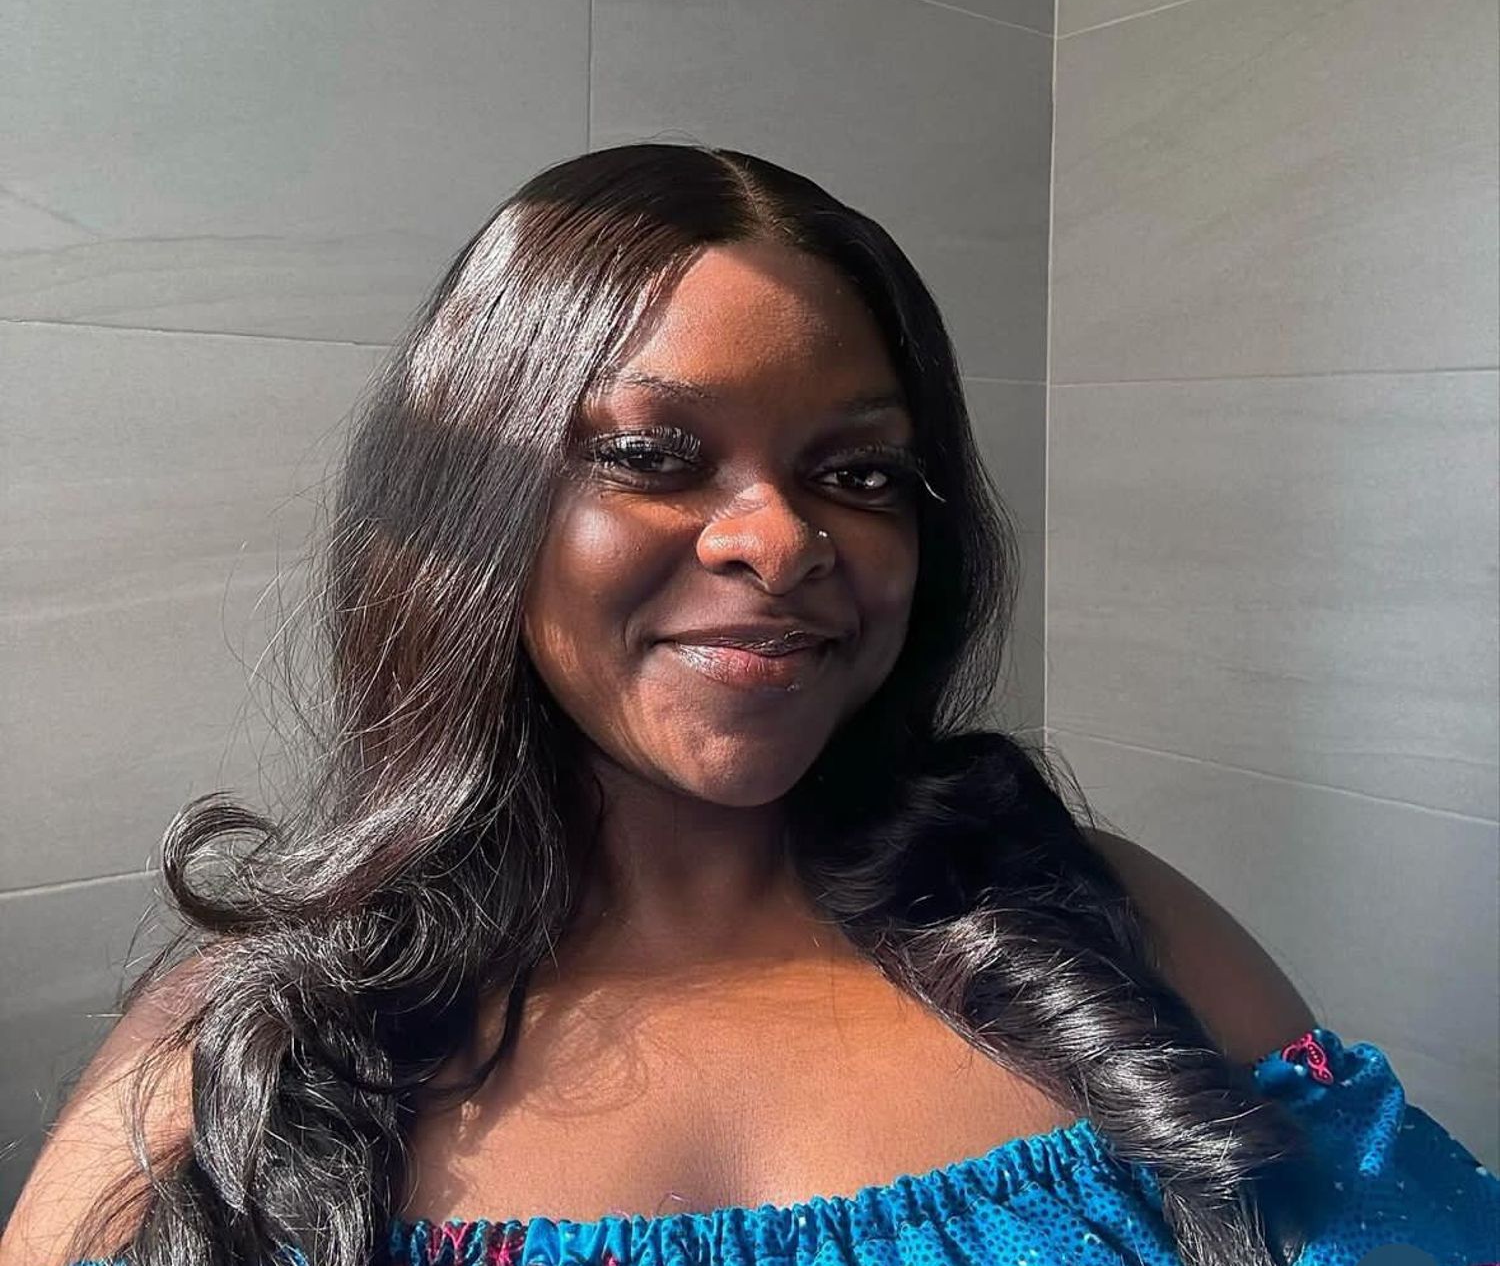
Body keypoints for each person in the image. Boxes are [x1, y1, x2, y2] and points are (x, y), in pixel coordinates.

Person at [4, 142, 1495, 1266]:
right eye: (652, 455)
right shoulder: (253, 1051)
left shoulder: (1105, 925)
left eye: (860, 473)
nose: (781, 542)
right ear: (474, 509)